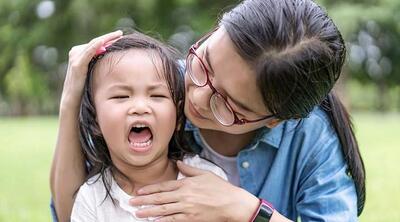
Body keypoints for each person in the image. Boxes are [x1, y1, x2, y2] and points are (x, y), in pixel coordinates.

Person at [50, 0, 366, 221]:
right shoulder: (155, 89)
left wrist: (247, 210)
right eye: (205, 63)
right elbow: (70, 211)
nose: (197, 98)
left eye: (228, 104)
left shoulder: (311, 135)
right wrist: (71, 100)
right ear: (215, 30)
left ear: (275, 120)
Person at [68, 33, 227, 221]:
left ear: (177, 117)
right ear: (95, 120)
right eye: (121, 96)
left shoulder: (207, 180)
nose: (140, 108)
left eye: (157, 96)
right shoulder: (91, 198)